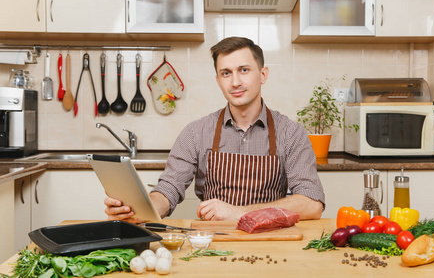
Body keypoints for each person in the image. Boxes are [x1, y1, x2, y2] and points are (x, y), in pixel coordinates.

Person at [104, 37, 325, 222]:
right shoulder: (196, 132)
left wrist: (239, 212)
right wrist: (141, 210)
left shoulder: (291, 133)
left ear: (263, 75)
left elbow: (311, 203)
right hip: (211, 240)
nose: (235, 81)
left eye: (244, 70)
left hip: (271, 238)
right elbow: (169, 188)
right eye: (226, 73)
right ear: (218, 80)